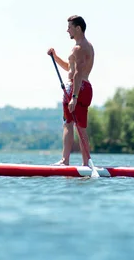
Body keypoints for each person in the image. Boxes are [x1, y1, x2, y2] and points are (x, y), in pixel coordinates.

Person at [47, 15, 95, 166]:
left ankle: (65, 161)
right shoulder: (87, 46)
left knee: (69, 125)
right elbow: (70, 68)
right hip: (83, 87)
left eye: (69, 27)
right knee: (80, 127)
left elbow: (77, 73)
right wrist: (55, 57)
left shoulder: (79, 48)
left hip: (77, 88)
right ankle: (86, 164)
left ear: (78, 28)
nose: (67, 30)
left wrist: (74, 96)